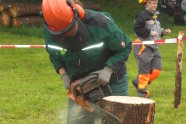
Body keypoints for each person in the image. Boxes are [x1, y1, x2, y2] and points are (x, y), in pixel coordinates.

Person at [41, 0, 132, 123]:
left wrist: (109, 69)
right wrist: (63, 74)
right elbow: (53, 53)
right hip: (80, 88)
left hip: (112, 83)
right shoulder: (51, 31)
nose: (66, 36)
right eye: (61, 34)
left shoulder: (101, 24)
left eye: (69, 30)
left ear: (77, 14)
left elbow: (125, 46)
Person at [133, 0, 171, 98]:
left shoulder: (155, 16)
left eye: (156, 3)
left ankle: (138, 82)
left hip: (155, 47)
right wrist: (149, 33)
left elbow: (157, 30)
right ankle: (143, 93)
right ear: (148, 4)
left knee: (156, 70)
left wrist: (163, 31)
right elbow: (137, 29)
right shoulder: (142, 15)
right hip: (144, 46)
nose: (155, 5)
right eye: (153, 3)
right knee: (144, 71)